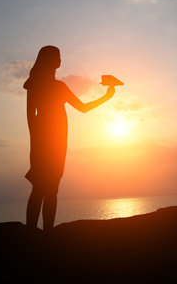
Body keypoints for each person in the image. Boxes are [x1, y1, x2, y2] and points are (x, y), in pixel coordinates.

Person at [23, 46, 115, 231]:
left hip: (58, 141)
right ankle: (31, 232)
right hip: (44, 141)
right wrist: (37, 142)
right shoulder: (35, 84)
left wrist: (106, 97)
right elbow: (30, 116)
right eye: (57, 56)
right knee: (41, 188)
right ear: (48, 60)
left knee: (52, 188)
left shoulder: (59, 87)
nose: (60, 60)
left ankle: (47, 231)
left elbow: (82, 108)